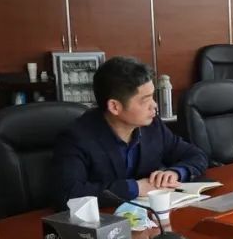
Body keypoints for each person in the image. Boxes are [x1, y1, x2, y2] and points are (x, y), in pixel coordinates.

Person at [53, 56, 207, 209]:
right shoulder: (76, 137)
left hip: (148, 215)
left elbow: (196, 155)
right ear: (115, 107)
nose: (154, 105)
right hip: (103, 219)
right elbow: (68, 194)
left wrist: (176, 172)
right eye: (145, 100)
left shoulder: (153, 126)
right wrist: (135, 188)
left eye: (152, 96)